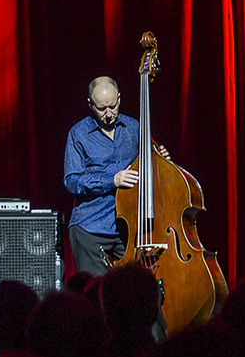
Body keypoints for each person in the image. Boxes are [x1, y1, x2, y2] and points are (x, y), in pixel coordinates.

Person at [63, 76, 167, 275]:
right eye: (102, 109)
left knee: (133, 290)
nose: (109, 114)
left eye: (113, 106)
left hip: (127, 228)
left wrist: (160, 159)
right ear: (90, 104)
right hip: (90, 226)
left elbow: (148, 165)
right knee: (95, 293)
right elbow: (71, 180)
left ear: (119, 99)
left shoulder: (134, 127)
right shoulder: (78, 133)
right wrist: (112, 180)